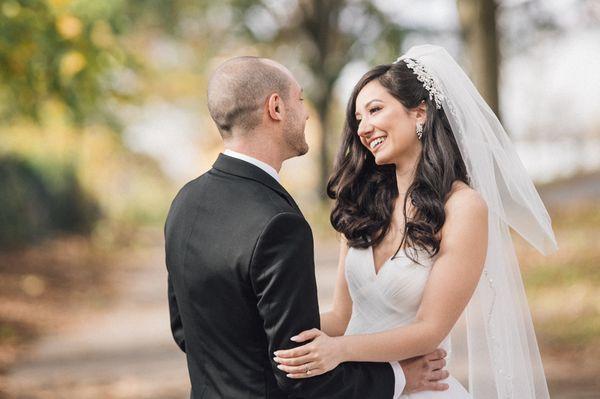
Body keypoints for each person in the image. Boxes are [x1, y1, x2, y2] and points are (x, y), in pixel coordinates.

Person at [274, 45, 558, 399]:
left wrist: (340, 351)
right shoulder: (362, 207)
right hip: (363, 388)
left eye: (375, 110)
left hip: (421, 389)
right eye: (358, 118)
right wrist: (271, 325)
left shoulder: (464, 207)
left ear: (419, 113)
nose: (364, 128)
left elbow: (430, 328)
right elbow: (341, 318)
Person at [164, 55, 449, 399]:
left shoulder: (185, 202)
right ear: (276, 108)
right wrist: (399, 379)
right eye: (299, 99)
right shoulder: (278, 222)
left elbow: (186, 333)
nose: (307, 112)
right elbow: (299, 372)